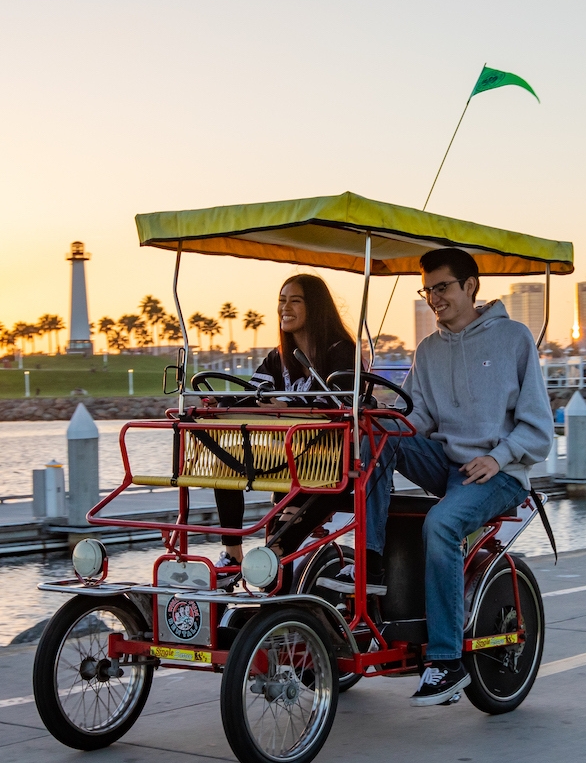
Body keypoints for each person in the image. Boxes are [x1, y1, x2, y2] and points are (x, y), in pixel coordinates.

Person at [363, 247, 554, 706]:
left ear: (471, 287)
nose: (433, 298)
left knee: (441, 525)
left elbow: (539, 429)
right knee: (373, 442)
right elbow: (418, 417)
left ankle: (446, 665)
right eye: (427, 289)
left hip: (500, 474)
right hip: (447, 465)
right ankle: (368, 569)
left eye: (442, 287)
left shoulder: (513, 338)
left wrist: (501, 456)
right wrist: (374, 415)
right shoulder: (428, 350)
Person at [212, 274, 357, 572]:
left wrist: (287, 406)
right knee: (225, 460)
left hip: (331, 461)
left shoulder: (341, 351)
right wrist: (221, 406)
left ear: (315, 307)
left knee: (287, 525)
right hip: (288, 457)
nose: (284, 308)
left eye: (295, 300)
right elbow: (253, 396)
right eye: (281, 301)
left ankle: (276, 555)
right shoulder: (278, 359)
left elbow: (336, 403)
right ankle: (233, 554)